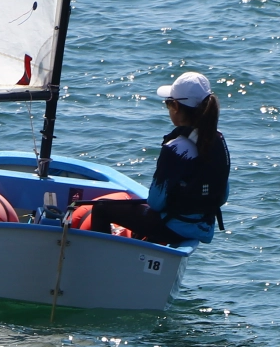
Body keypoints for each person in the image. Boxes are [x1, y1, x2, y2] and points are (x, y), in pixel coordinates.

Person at [88, 70, 230, 246]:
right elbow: (223, 196)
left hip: (174, 227)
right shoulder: (218, 140)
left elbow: (156, 202)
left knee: (101, 208)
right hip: (204, 227)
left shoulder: (176, 147)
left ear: (176, 106)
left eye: (168, 103)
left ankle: (102, 258)